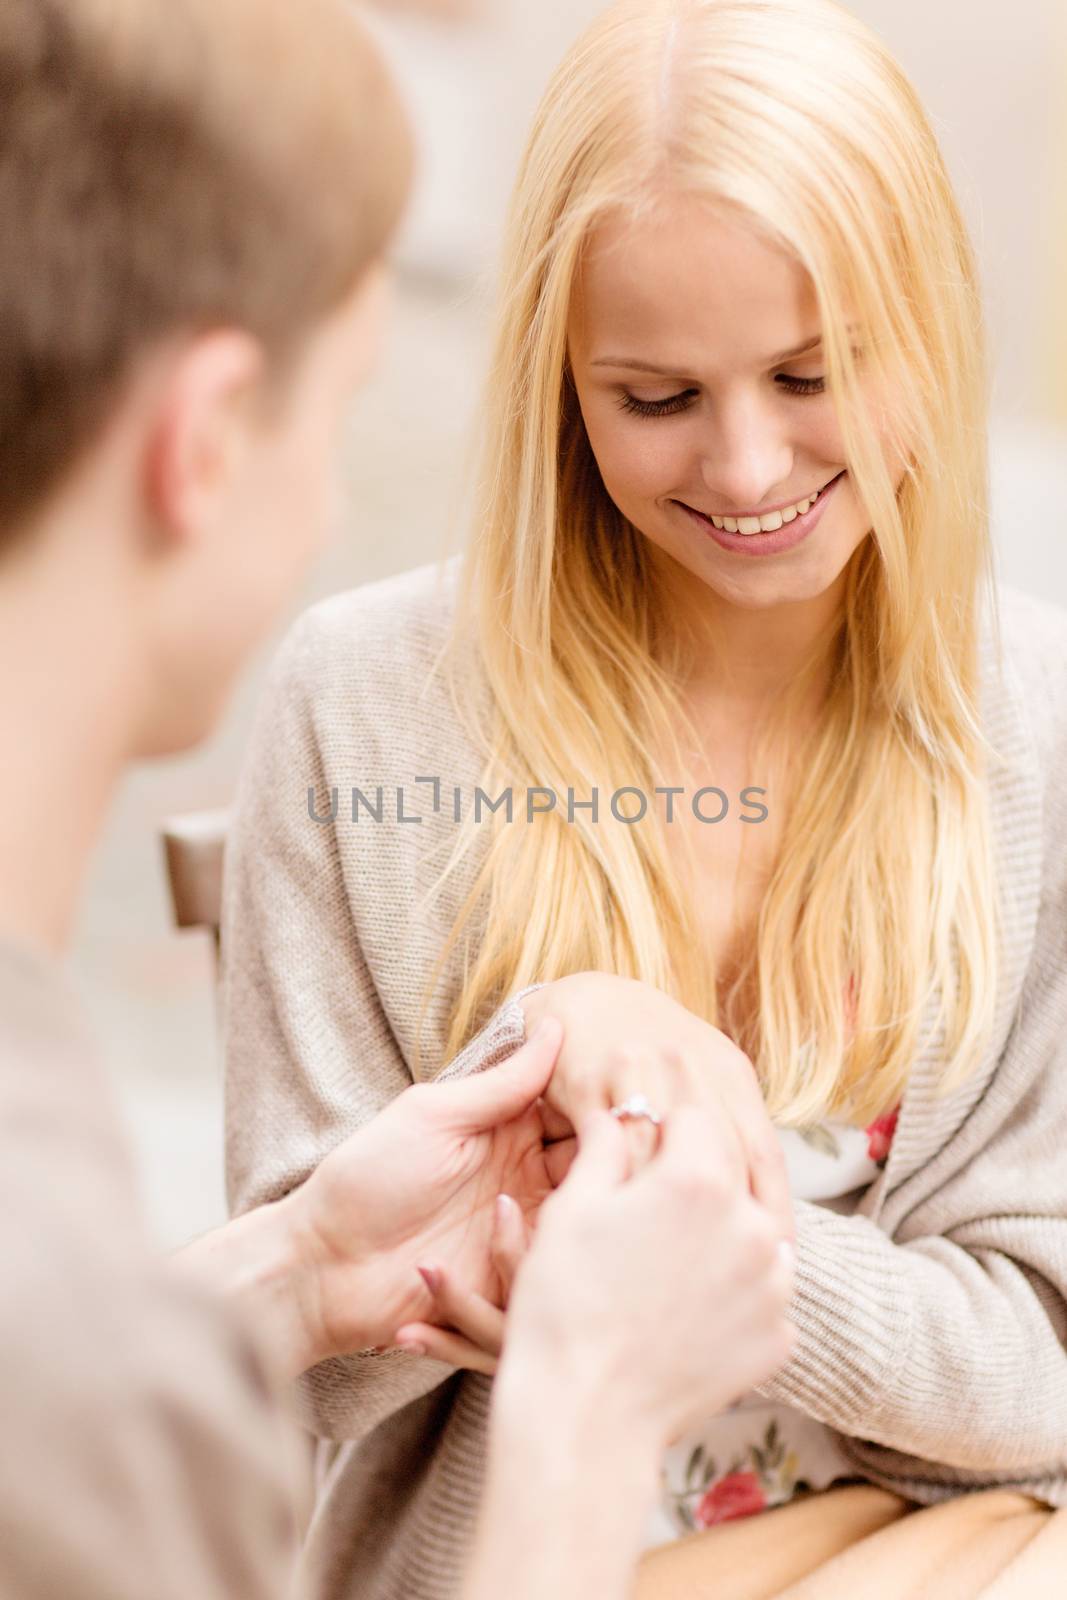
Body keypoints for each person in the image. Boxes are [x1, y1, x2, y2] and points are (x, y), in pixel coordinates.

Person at [222, 0, 1067, 1596]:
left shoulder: (1044, 735)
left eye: (816, 373)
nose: (747, 470)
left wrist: (706, 1245)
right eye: (656, 399)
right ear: (557, 384)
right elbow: (304, 1374)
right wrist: (528, 1087)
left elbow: (1048, 1375)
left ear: (933, 330)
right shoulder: (364, 707)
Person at [0, 1, 795, 1597]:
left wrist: (298, 1264)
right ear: (208, 438)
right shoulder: (76, 1376)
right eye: (339, 405)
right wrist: (585, 1417)